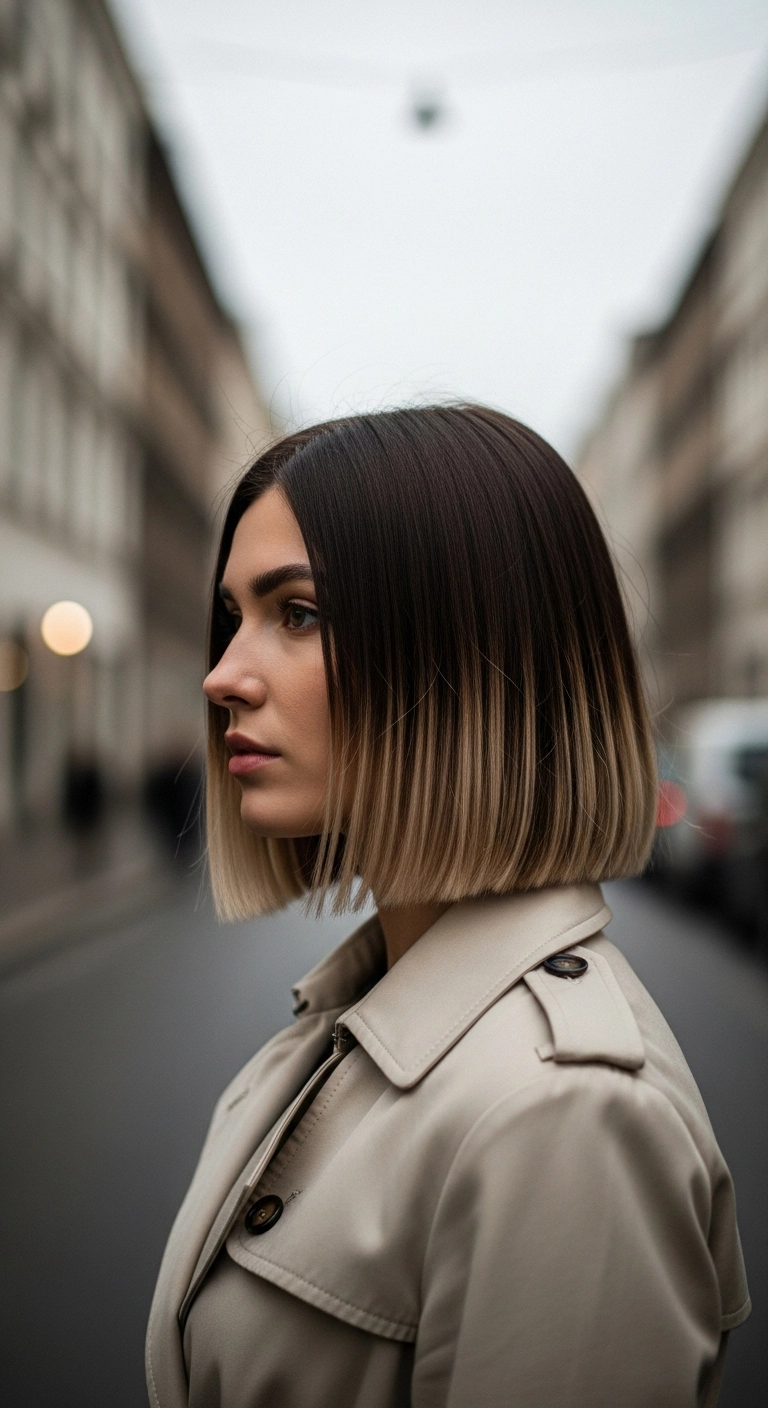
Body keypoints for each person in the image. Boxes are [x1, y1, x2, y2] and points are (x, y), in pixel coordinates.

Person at [146, 406, 750, 1408]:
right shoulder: (357, 1016)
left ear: (464, 658)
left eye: (297, 613)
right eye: (233, 616)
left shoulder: (564, 1117)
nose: (223, 677)